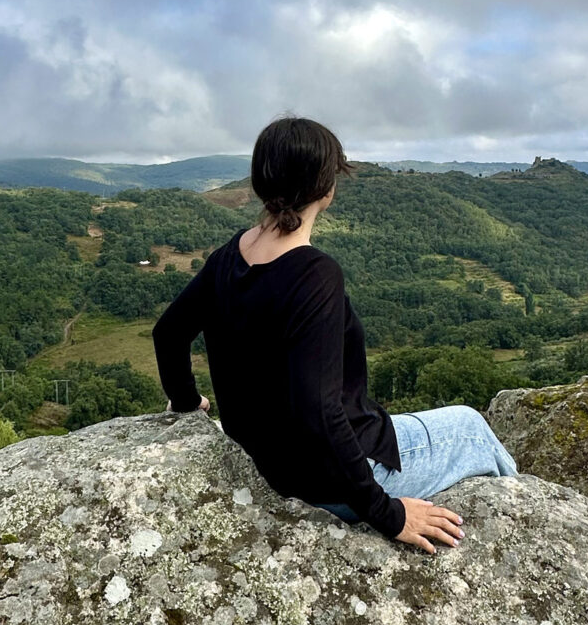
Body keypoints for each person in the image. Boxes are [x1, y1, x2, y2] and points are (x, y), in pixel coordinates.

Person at [152, 117, 518, 553]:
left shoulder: (230, 256)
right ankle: (526, 517)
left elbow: (168, 333)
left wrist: (188, 403)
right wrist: (388, 513)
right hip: (328, 478)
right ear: (327, 190)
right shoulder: (314, 275)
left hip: (267, 459)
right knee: (471, 425)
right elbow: (321, 412)